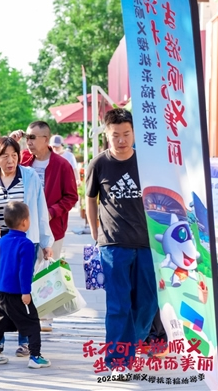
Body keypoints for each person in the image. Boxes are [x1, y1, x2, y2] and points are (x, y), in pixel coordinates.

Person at [85, 108, 157, 376]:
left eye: (126, 134)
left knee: (148, 303)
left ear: (134, 133)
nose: (122, 140)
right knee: (118, 304)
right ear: (107, 134)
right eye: (115, 135)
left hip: (148, 243)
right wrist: (95, 233)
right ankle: (118, 361)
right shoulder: (99, 164)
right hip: (113, 244)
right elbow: (90, 199)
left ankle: (132, 343)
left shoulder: (147, 162)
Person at [0, 136, 52, 357]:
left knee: (24, 288)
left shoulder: (29, 176)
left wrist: (46, 242)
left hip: (24, 242)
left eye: (14, 155)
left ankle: (25, 341)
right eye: (5, 156)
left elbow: (40, 208)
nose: (10, 161)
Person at [16, 121, 77, 331]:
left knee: (48, 271)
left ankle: (45, 317)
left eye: (33, 137)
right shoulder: (23, 160)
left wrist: (51, 212)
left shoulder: (62, 165)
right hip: (23, 227)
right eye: (27, 137)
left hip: (52, 228)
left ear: (46, 139)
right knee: (24, 270)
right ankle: (24, 315)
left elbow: (71, 196)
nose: (29, 141)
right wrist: (11, 142)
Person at [0, 201, 51, 369]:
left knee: (0, 323)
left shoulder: (4, 240)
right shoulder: (26, 244)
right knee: (33, 322)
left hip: (2, 293)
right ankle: (35, 356)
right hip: (18, 293)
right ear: (25, 222)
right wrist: (26, 292)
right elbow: (25, 271)